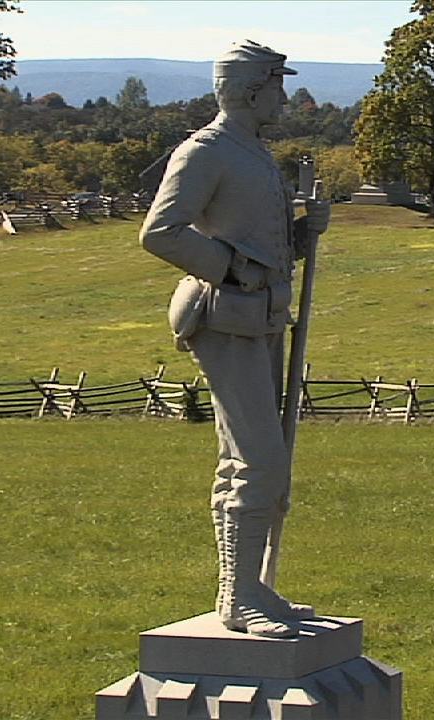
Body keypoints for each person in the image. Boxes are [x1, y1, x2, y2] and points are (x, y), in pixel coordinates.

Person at [140, 40, 329, 638]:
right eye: (276, 85)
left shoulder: (255, 152)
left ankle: (251, 590)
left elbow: (261, 242)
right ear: (250, 90)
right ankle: (239, 595)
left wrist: (302, 234)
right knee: (259, 461)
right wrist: (238, 270)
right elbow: (161, 233)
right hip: (224, 316)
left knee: (250, 460)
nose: (283, 96)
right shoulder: (205, 152)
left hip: (260, 317)